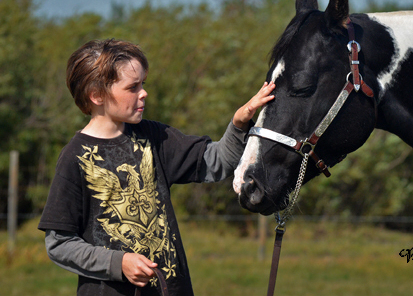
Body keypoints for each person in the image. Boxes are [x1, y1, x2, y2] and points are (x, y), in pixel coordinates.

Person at [38, 39, 275, 295]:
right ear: (96, 95)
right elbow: (59, 244)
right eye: (132, 87)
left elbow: (216, 162)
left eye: (143, 84)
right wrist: (118, 263)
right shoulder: (75, 157)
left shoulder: (154, 136)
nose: (143, 93)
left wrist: (239, 124)